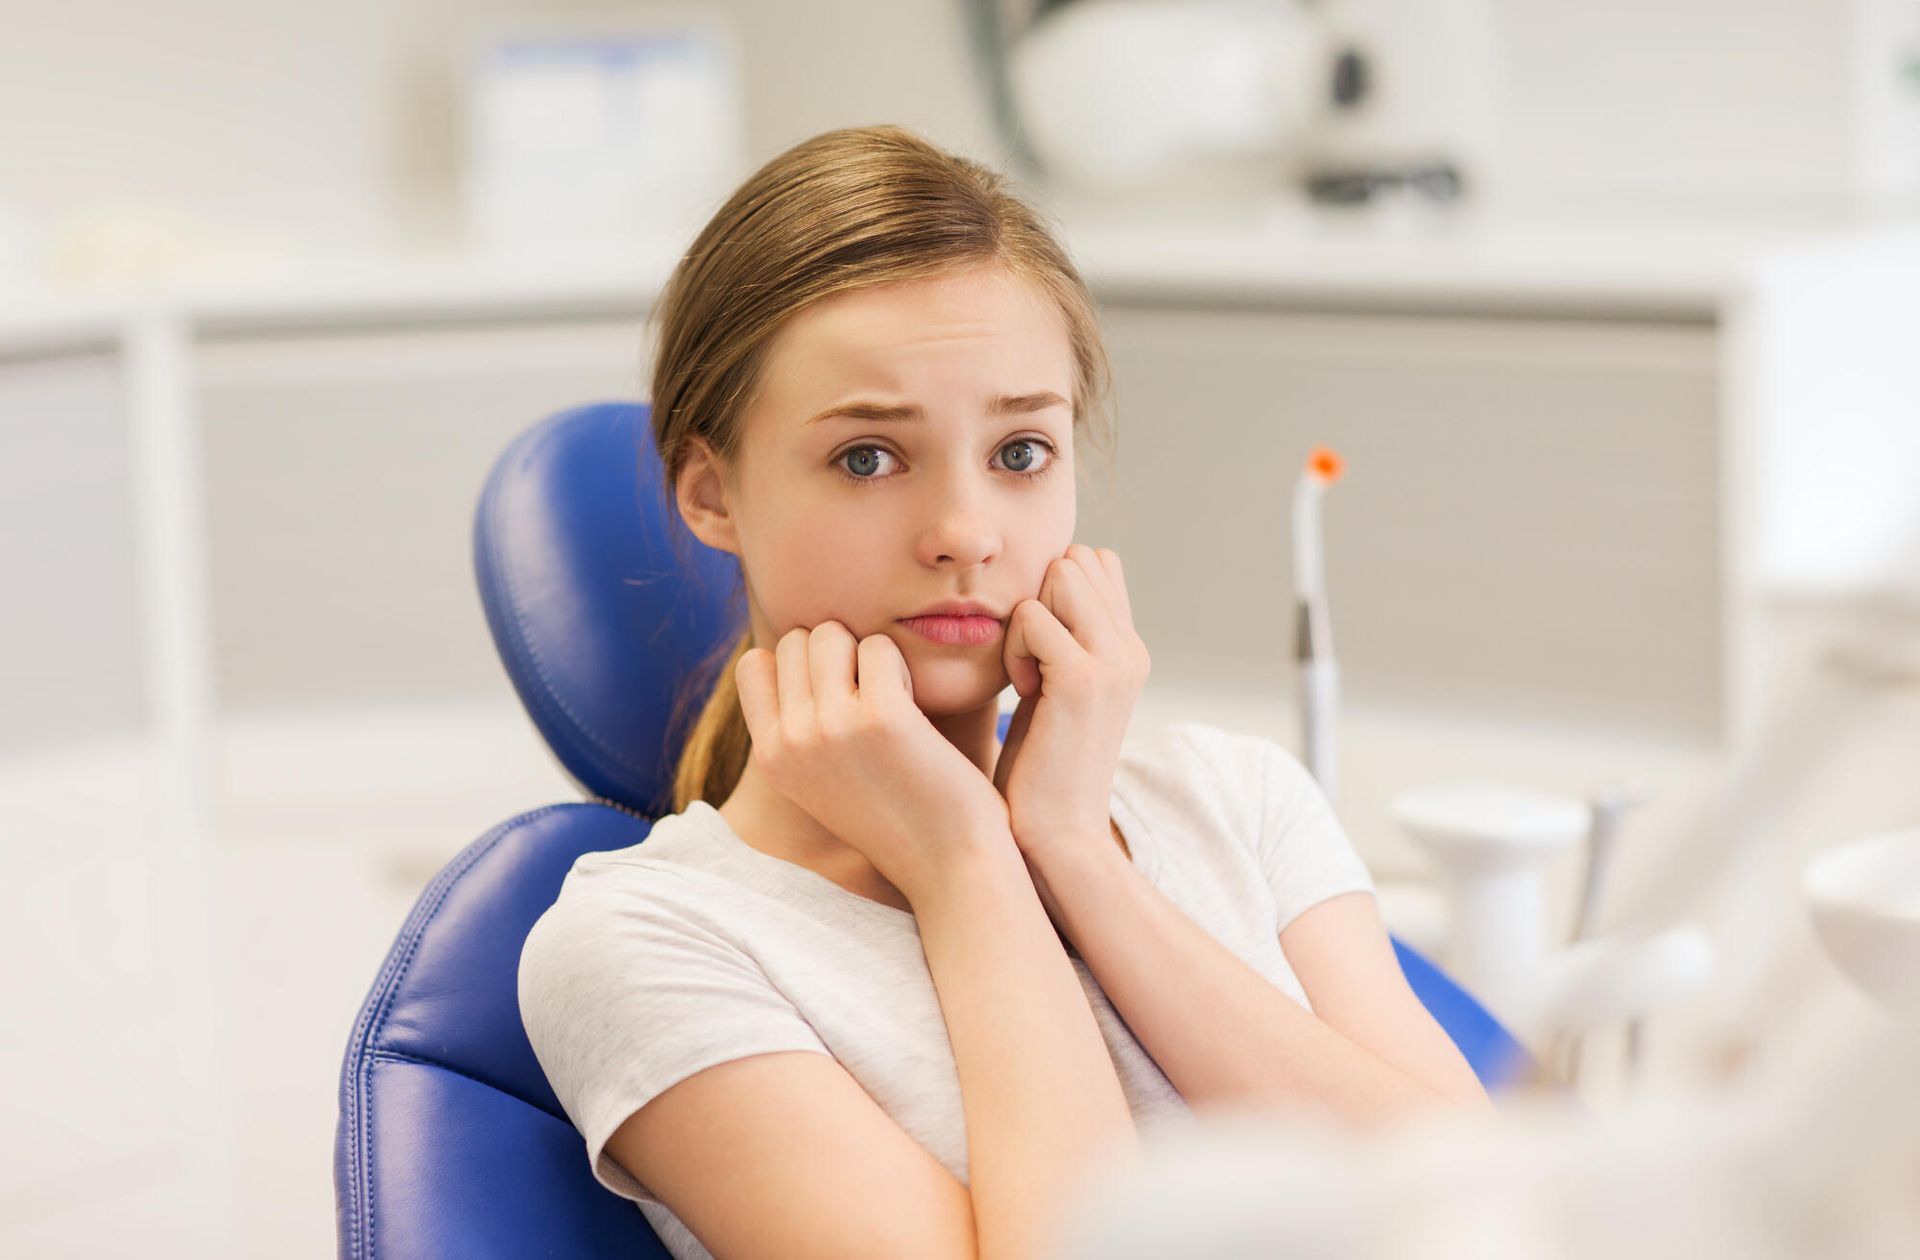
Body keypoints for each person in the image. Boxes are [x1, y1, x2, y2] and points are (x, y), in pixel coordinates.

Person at [517, 123, 1493, 1260]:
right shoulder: (648, 944)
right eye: (868, 457)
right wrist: (968, 862)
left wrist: (1075, 856)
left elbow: (1483, 1210)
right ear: (711, 493)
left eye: (1021, 452)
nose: (966, 535)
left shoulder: (1237, 800)